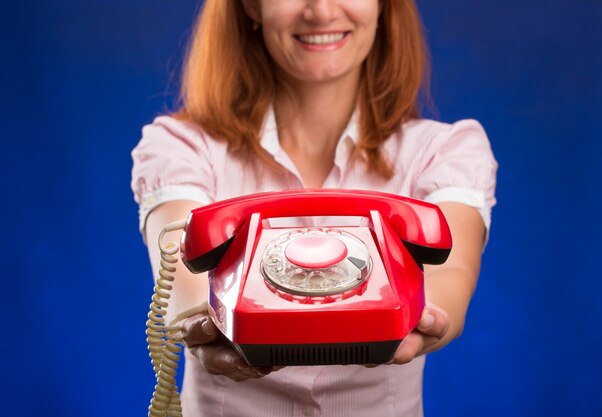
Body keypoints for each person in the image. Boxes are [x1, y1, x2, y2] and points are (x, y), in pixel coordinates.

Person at [131, 0, 497, 416]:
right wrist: (210, 325)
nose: (321, 11)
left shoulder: (445, 151)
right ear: (252, 7)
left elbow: (447, 279)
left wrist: (427, 315)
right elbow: (187, 291)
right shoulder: (181, 146)